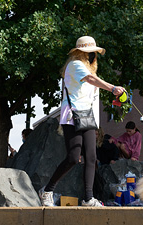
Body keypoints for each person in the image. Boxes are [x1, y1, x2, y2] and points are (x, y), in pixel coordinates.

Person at [38, 36, 125, 207]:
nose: (92, 55)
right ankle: (47, 190)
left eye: (93, 52)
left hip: (87, 116)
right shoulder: (75, 65)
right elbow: (91, 80)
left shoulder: (90, 71)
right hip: (72, 115)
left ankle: (88, 198)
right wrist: (113, 88)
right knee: (72, 157)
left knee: (91, 158)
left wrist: (110, 104)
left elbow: (92, 93)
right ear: (80, 53)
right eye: (89, 52)